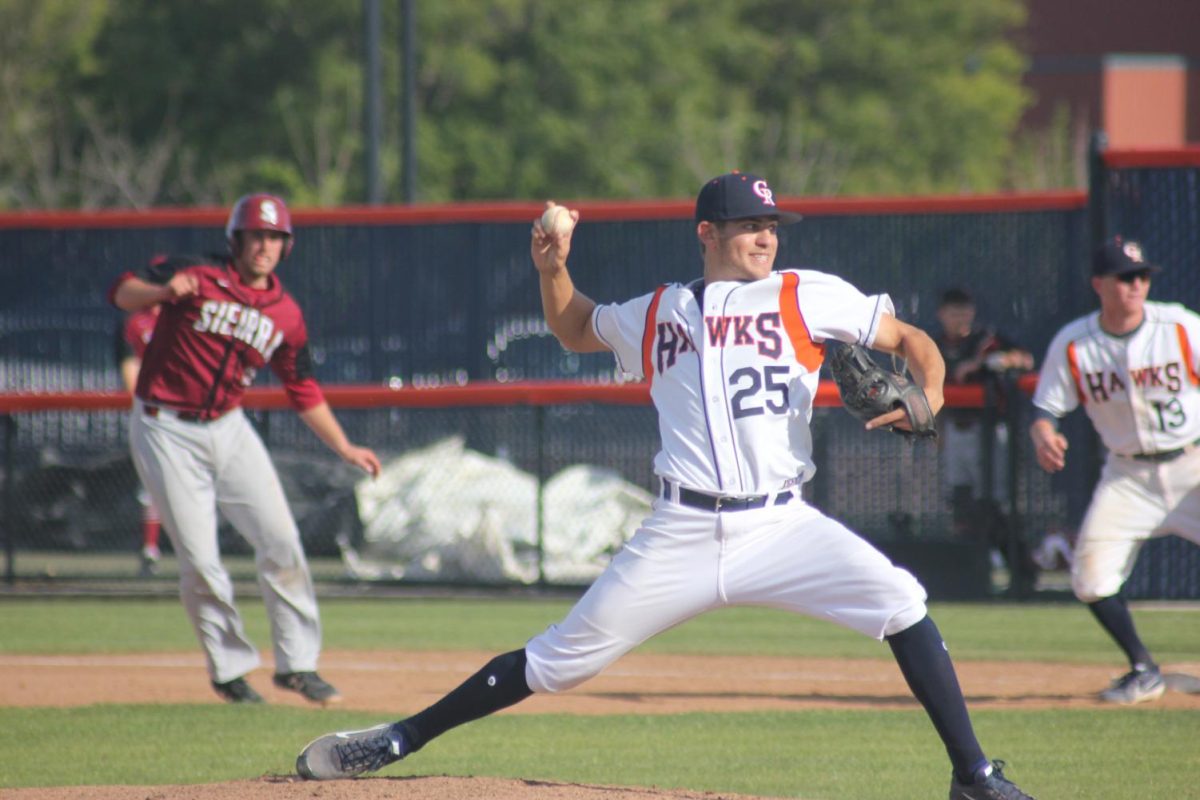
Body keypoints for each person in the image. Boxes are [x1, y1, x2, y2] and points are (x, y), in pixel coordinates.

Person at [294, 172, 1036, 799]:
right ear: (706, 233)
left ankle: (972, 774)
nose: (766, 236)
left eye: (771, 224)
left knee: (903, 603)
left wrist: (930, 396)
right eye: (748, 224)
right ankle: (398, 740)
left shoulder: (808, 293)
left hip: (782, 525)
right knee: (555, 663)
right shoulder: (661, 310)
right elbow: (576, 328)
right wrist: (553, 267)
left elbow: (911, 340)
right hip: (680, 529)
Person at [108, 193, 382, 705]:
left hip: (229, 426)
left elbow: (301, 387)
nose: (265, 245)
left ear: (287, 246)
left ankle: (298, 665)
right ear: (236, 239)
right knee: (201, 560)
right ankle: (230, 669)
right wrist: (162, 290)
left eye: (275, 237)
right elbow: (121, 292)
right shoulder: (194, 273)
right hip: (164, 426)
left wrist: (344, 446)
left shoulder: (286, 314)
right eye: (256, 234)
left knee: (281, 540)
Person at [1030, 235, 1196, 705]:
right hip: (1128, 477)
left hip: (1193, 464)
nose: (1136, 285)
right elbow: (1044, 409)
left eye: (1142, 276)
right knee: (1090, 579)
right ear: (1098, 284)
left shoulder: (1179, 325)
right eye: (1125, 278)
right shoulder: (1075, 343)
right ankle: (1143, 669)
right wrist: (1043, 434)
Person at [933, 288, 1038, 594]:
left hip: (989, 432)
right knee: (962, 504)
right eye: (953, 311)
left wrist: (989, 363)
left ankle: (1022, 571)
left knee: (994, 505)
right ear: (942, 314)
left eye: (964, 310)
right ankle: (971, 575)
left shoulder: (986, 340)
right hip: (955, 429)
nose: (960, 317)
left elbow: (1025, 358)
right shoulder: (935, 343)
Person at [114, 301, 164, 576]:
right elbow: (130, 368)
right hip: (154, 414)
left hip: (188, 413)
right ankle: (150, 548)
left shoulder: (186, 319)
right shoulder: (136, 322)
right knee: (152, 484)